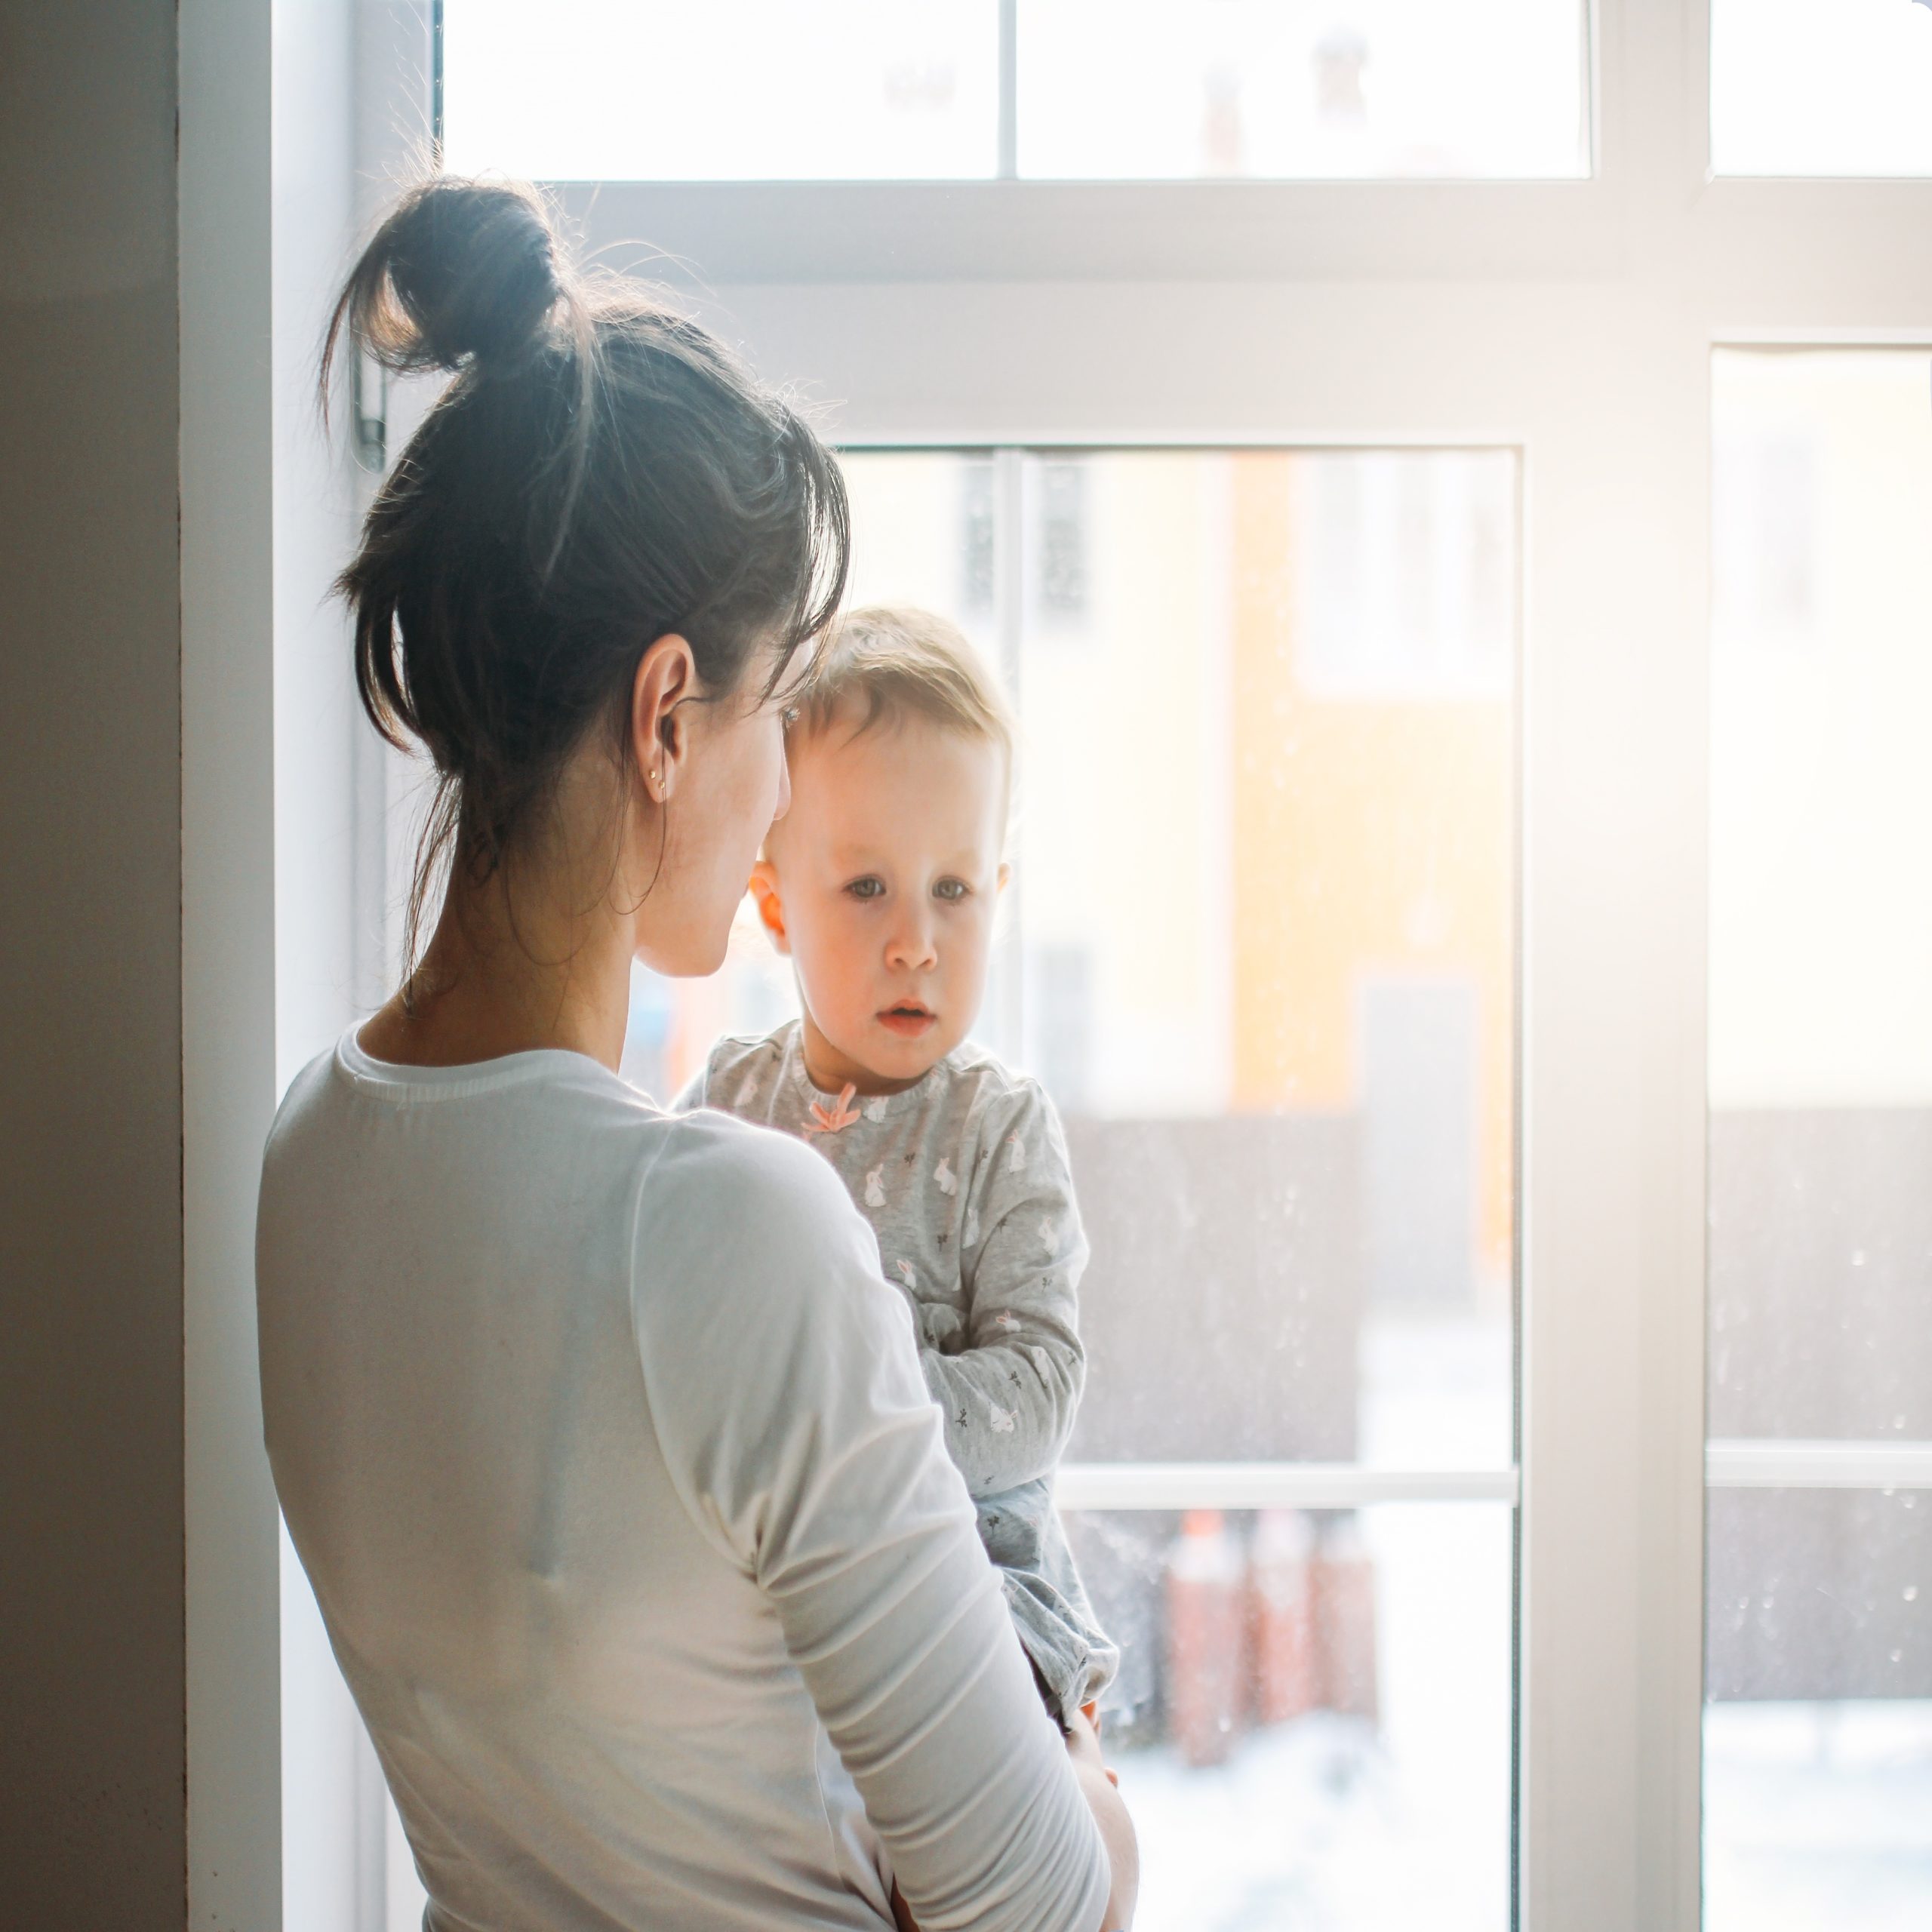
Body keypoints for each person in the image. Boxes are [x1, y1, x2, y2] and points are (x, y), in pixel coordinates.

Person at [255, 177, 1136, 1932]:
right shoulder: (731, 1221)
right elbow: (1036, 1903)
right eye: (773, 717)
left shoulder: (306, 1160)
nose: (775, 802)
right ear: (668, 716)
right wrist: (1097, 1803)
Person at [675, 606, 1119, 1741]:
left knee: (996, 1847)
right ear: (774, 903)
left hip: (976, 1601)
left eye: (954, 891)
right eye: (867, 888)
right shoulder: (729, 1109)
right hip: (771, 1604)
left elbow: (1040, 1393)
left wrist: (859, 1405)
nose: (917, 939)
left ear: (998, 896)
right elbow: (659, 1326)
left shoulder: (1001, 1129)